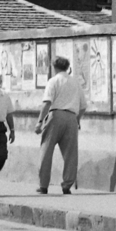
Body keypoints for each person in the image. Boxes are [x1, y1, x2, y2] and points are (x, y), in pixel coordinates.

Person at [36, 55, 86, 195]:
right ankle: (67, 185)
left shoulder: (53, 81)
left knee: (46, 150)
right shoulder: (75, 82)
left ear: (54, 67)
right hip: (71, 118)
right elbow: (83, 106)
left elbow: (47, 103)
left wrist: (40, 122)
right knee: (70, 153)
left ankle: (43, 185)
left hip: (55, 115)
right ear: (67, 67)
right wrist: (78, 120)